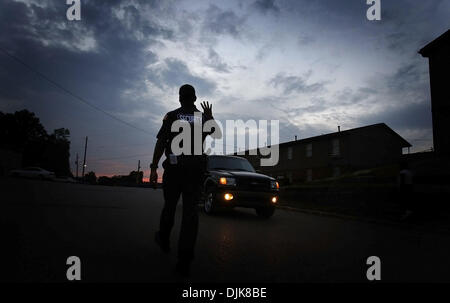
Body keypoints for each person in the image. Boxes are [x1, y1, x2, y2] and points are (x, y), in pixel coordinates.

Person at [149, 84, 219, 277]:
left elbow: (161, 142)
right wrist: (210, 117)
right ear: (195, 98)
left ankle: (163, 238)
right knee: (190, 215)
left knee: (169, 207)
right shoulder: (202, 117)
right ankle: (184, 261)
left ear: (180, 98)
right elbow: (215, 134)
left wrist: (154, 167)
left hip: (174, 170)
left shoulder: (171, 116)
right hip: (195, 172)